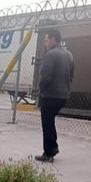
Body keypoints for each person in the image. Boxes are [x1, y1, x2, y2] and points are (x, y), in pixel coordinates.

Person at [35, 28, 74, 162]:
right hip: (63, 95)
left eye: (46, 40)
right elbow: (71, 76)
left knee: (47, 123)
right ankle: (53, 147)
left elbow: (46, 76)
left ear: (52, 39)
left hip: (50, 95)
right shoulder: (69, 54)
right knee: (50, 122)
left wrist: (41, 89)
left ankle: (49, 152)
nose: (45, 43)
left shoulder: (51, 54)